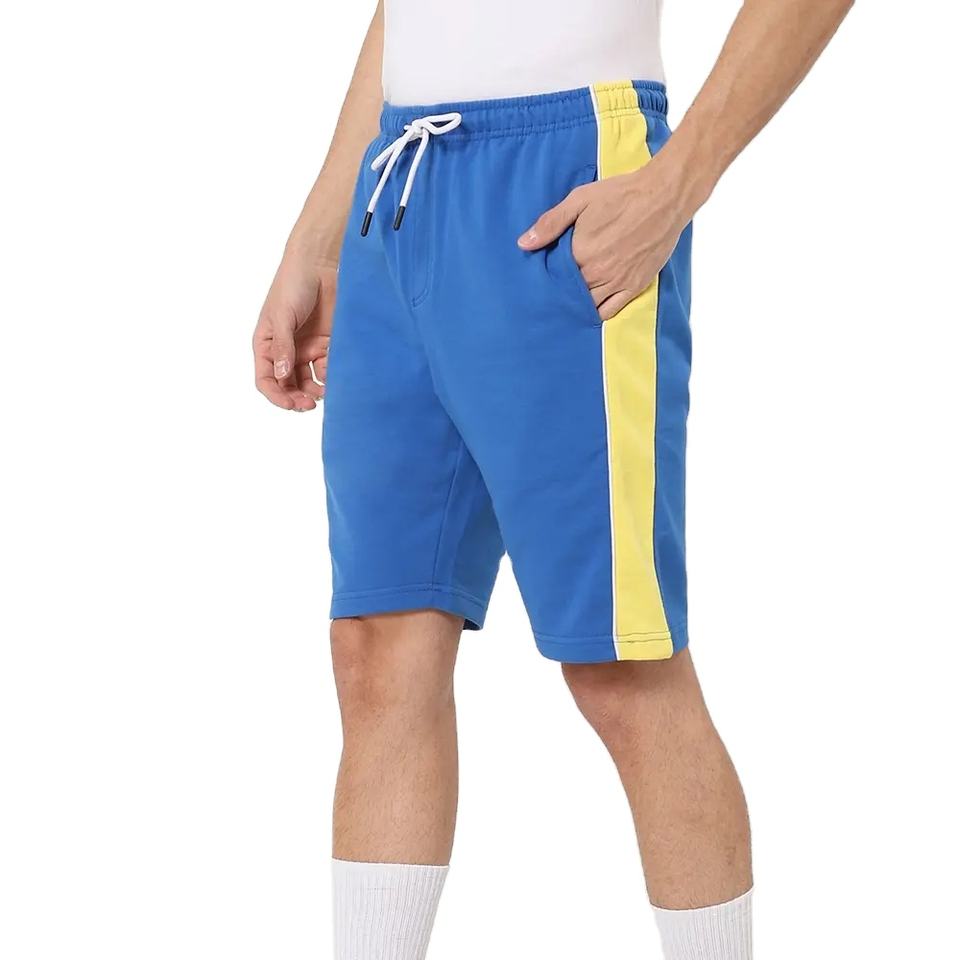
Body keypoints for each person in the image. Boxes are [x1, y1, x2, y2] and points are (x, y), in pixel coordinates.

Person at [253, 1, 853, 956]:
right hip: (398, 184)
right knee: (379, 643)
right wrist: (319, 239)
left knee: (622, 664)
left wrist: (678, 180)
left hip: (564, 172)